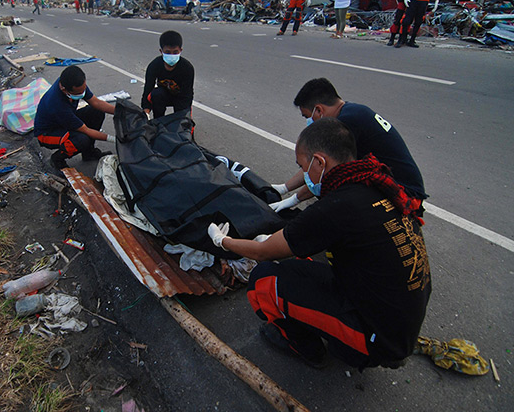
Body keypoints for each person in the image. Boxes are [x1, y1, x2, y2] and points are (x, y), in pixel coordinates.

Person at [208, 118, 431, 370]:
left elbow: (262, 252)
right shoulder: (373, 182)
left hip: (380, 340)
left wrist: (222, 240)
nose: (304, 175)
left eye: (303, 166)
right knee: (300, 264)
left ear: (320, 162)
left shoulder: (337, 208)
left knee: (264, 282)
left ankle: (306, 348)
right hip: (400, 317)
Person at [270, 78, 426, 213]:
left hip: (404, 193)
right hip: (400, 184)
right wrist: (284, 188)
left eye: (307, 116)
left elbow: (323, 171)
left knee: (335, 203)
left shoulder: (343, 126)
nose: (309, 123)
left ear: (318, 110)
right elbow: (313, 166)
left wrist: (293, 200)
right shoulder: (352, 111)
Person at [33, 65, 116, 170]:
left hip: (64, 121)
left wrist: (120, 112)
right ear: (64, 89)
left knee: (96, 112)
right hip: (48, 133)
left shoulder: (73, 82)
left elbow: (96, 103)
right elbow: (86, 130)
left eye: (83, 90)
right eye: (78, 93)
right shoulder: (57, 104)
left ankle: (88, 153)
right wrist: (113, 139)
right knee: (81, 139)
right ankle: (57, 159)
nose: (82, 94)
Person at [141, 30, 195, 119]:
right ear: (161, 51)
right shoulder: (154, 66)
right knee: (156, 94)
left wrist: (183, 118)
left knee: (182, 125)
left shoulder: (187, 68)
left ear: (180, 50)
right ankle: (158, 121)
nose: (172, 55)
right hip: (163, 96)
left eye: (175, 52)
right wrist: (145, 113)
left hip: (181, 97)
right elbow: (148, 89)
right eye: (168, 52)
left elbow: (187, 94)